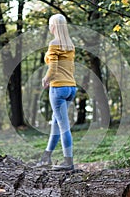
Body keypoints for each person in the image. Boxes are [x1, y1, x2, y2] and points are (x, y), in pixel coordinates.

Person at [37, 13, 76, 171]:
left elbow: (52, 68)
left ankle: (68, 162)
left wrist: (46, 79)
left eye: (50, 24)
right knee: (56, 123)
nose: (49, 27)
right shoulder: (70, 45)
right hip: (71, 88)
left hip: (58, 89)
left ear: (54, 26)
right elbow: (68, 68)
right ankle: (46, 157)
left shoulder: (54, 44)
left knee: (63, 127)